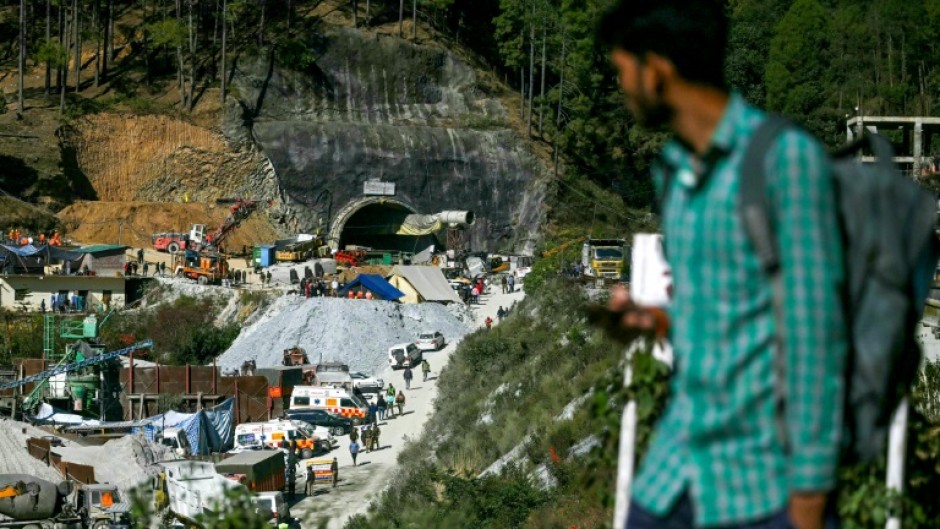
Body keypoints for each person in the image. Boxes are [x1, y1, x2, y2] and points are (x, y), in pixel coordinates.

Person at [598, 3, 846, 529]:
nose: (621, 86)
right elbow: (722, 312)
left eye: (623, 69)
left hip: (762, 488)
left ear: (656, 69)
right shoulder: (675, 172)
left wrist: (808, 499)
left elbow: (817, 338)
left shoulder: (784, 160)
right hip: (674, 470)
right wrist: (656, 319)